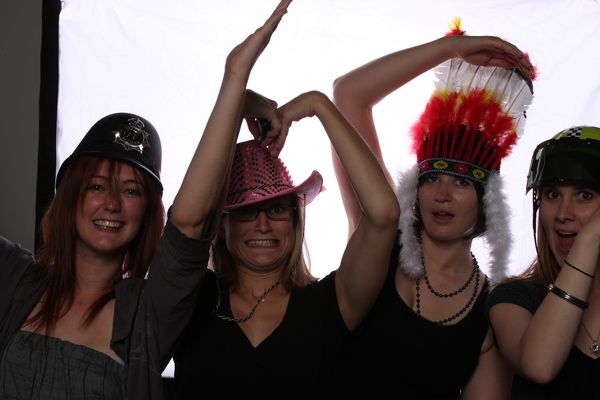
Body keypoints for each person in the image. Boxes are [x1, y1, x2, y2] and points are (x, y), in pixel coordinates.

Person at [172, 1, 399, 398]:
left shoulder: (331, 303)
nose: (263, 225)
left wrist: (318, 105)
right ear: (221, 224)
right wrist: (247, 95)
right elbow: (186, 218)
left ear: (296, 219)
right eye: (245, 212)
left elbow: (383, 215)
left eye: (277, 209)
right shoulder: (191, 297)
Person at [329, 22, 535, 399]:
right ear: (415, 188)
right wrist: (450, 50)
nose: (441, 195)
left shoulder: (488, 314)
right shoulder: (376, 230)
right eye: (431, 180)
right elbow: (347, 95)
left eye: (460, 183)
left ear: (486, 200)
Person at [0, 108, 217, 399]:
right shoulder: (13, 276)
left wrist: (236, 80)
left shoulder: (148, 316)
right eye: (96, 186)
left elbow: (192, 222)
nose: (112, 204)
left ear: (147, 213)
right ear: (70, 197)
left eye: (131, 191)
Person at [487, 126, 600, 399]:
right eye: (552, 194)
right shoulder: (513, 299)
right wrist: (588, 240)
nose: (563, 213)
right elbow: (540, 366)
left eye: (584, 195)